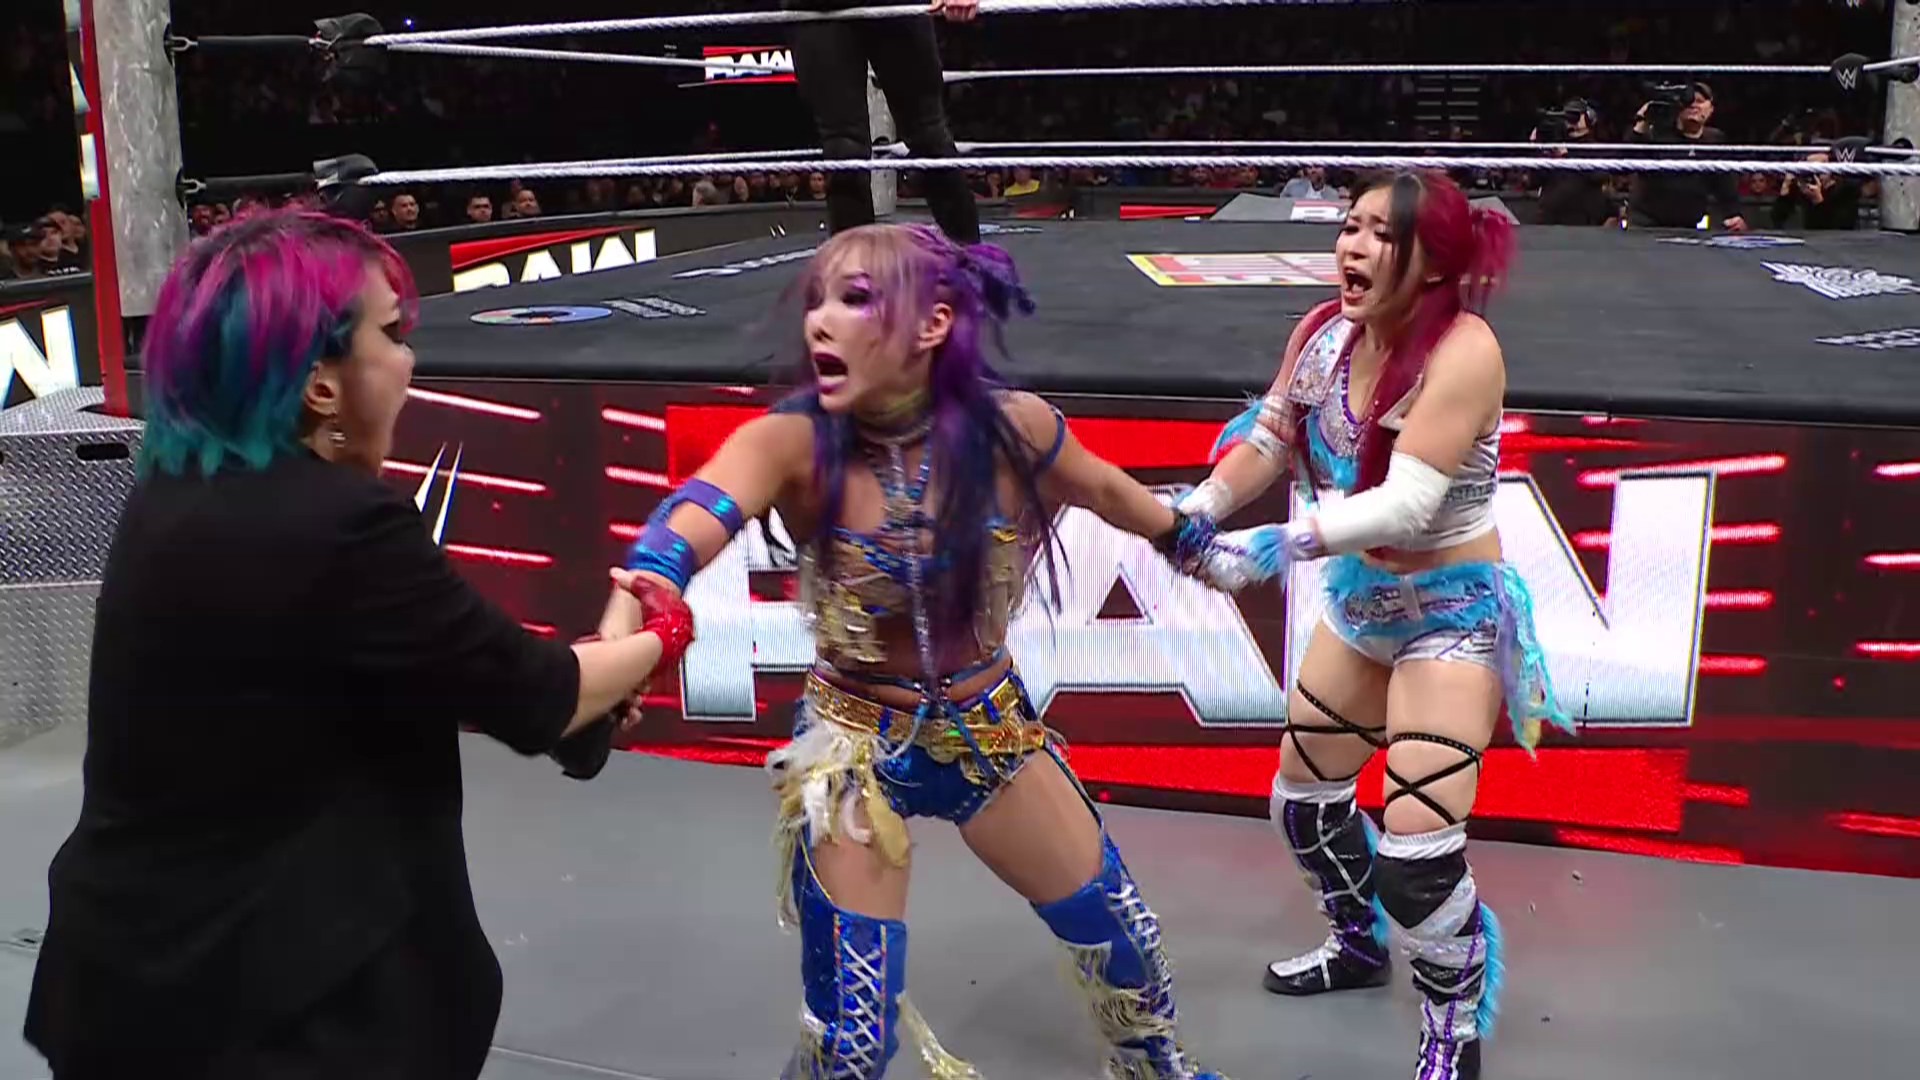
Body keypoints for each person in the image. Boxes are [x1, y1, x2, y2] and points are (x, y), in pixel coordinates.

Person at [23, 209, 694, 1080]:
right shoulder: (341, 524)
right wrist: (659, 629)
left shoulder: (173, 496)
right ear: (320, 385)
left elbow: (420, 671)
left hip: (132, 985)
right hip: (276, 1013)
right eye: (391, 335)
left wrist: (588, 691)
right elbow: (536, 693)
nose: (410, 362)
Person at [596, 222, 1238, 1079]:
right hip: (853, 753)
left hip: (991, 735)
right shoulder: (788, 443)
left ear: (933, 324)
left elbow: (1110, 491)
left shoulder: (1014, 429)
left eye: (856, 299)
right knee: (851, 1040)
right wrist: (631, 627)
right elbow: (677, 536)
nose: (821, 320)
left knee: (1128, 953)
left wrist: (1199, 548)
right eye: (817, 300)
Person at [1176, 170, 1573, 1080]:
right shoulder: (1323, 334)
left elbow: (1407, 504)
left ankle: (1453, 1031)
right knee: (1303, 803)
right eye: (1348, 226)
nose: (1351, 247)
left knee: (1417, 858)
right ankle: (1357, 945)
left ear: (1431, 261)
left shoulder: (1465, 351)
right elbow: (1268, 440)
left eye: (1379, 234)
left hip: (1451, 616)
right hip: (1362, 604)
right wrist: (1194, 512)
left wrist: (1270, 547)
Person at [785, 0, 981, 243]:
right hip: (817, 11)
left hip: (895, 6)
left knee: (928, 135)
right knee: (843, 149)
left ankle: (970, 252)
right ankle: (854, 262)